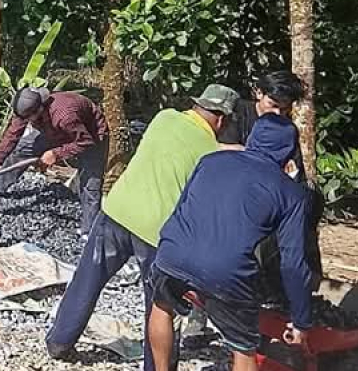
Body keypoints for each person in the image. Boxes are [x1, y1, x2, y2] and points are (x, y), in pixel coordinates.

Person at [46, 84, 241, 370]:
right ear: (222, 120)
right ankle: (157, 365)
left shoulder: (164, 118)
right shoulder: (212, 153)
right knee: (161, 306)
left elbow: (186, 145)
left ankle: (59, 342)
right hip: (157, 234)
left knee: (87, 280)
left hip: (116, 211)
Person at [148, 114, 314, 371]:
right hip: (225, 272)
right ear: (290, 152)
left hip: (172, 251)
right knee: (244, 347)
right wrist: (301, 319)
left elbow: (181, 208)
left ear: (252, 139)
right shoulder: (292, 194)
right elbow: (293, 261)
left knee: (162, 306)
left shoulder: (211, 160)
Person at [0, 87, 108, 236]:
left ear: (38, 110)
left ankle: (89, 231)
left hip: (92, 137)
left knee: (90, 184)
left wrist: (55, 154)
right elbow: (12, 136)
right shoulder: (29, 108)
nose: (24, 122)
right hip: (55, 132)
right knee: (24, 148)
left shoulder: (64, 116)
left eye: (27, 119)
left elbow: (85, 141)